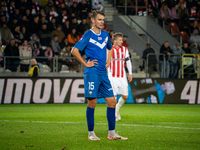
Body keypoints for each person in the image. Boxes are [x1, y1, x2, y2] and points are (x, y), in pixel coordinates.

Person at [71, 10, 128, 141]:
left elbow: (110, 48)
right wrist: (85, 63)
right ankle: (91, 133)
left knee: (112, 101)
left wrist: (108, 60)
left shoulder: (106, 35)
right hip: (92, 73)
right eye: (100, 19)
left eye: (103, 20)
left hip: (103, 73)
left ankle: (111, 133)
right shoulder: (88, 35)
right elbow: (74, 50)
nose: (102, 22)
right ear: (93, 20)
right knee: (93, 102)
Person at [107, 32, 132, 121]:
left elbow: (128, 61)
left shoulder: (124, 49)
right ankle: (114, 115)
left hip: (122, 76)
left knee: (125, 96)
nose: (122, 41)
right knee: (113, 97)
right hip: (112, 76)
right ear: (115, 41)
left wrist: (130, 73)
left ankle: (117, 108)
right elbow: (106, 62)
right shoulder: (109, 49)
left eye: (122, 40)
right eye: (120, 40)